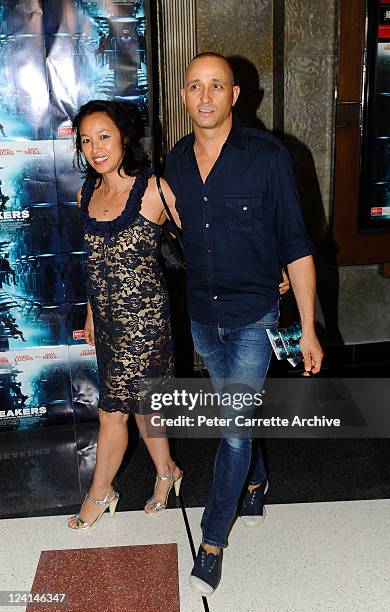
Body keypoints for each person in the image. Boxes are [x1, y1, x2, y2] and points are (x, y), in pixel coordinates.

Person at [164, 52, 324, 595]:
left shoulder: (268, 157)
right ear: (183, 96)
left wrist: (307, 327)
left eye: (216, 86)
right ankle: (256, 478)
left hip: (256, 315)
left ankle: (212, 539)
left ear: (236, 96)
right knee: (238, 417)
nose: (204, 97)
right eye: (194, 87)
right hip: (204, 319)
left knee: (231, 428)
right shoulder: (177, 162)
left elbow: (297, 245)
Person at [67, 100, 184, 529]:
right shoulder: (87, 193)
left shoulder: (153, 189)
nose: (96, 148)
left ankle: (100, 492)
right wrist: (92, 315)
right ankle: (167, 471)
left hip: (146, 322)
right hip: (111, 325)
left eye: (104, 136)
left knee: (112, 411)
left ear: (124, 137)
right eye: (86, 140)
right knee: (143, 408)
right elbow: (95, 265)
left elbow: (206, 240)